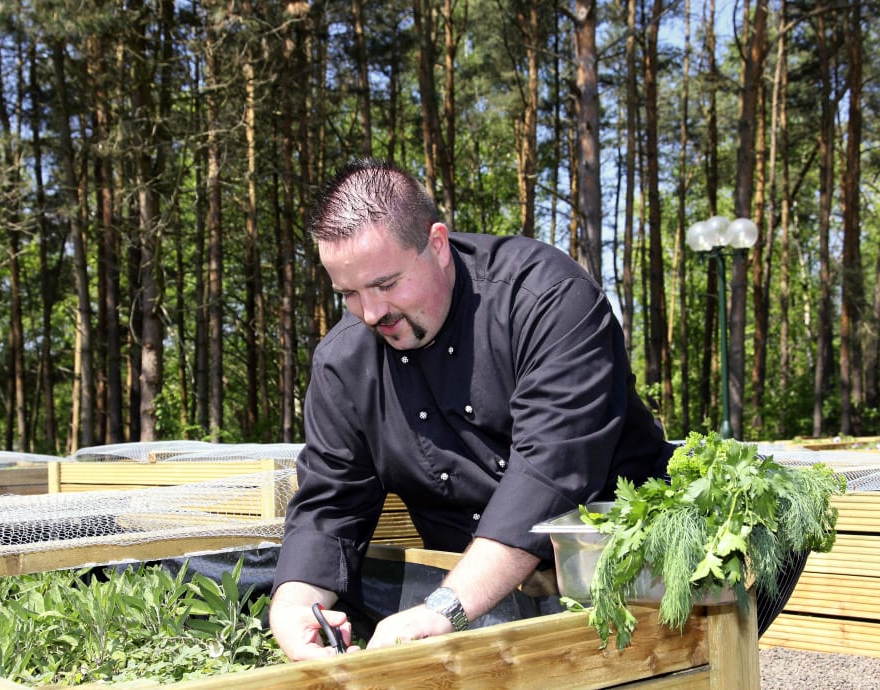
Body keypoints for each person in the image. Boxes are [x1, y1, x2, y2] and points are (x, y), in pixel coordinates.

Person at [268, 158, 675, 660]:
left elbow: (550, 473)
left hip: (627, 581)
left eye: (386, 284)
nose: (372, 313)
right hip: (468, 591)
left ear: (437, 245)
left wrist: (445, 608)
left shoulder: (548, 300)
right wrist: (293, 607)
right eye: (348, 294)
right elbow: (330, 503)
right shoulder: (342, 363)